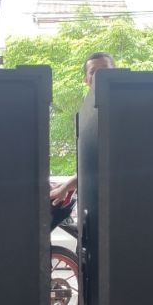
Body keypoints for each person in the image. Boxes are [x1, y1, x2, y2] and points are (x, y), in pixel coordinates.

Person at [49, 52, 115, 226]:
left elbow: (105, 166)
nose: (99, 75)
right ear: (86, 79)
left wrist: (66, 186)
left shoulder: (118, 110)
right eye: (94, 71)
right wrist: (66, 186)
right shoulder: (87, 115)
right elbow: (91, 165)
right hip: (95, 206)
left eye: (105, 69)